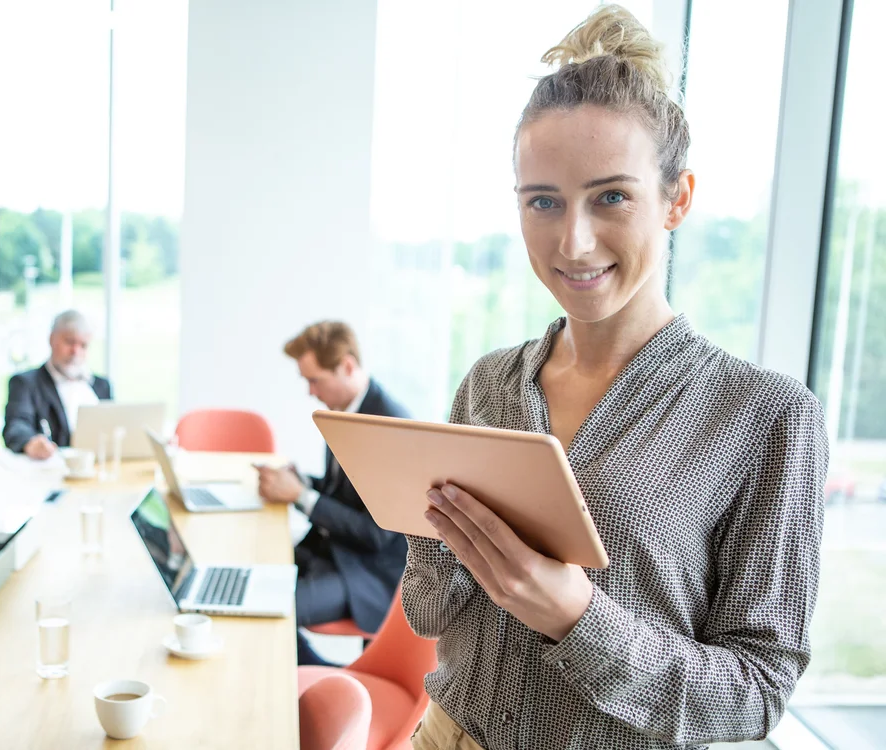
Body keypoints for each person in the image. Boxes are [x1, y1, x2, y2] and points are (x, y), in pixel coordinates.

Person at [403, 7, 827, 749]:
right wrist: (438, 533)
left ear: (677, 199)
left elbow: (757, 694)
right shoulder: (487, 385)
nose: (573, 242)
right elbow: (427, 612)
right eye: (543, 202)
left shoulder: (767, 416)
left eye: (611, 197)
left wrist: (578, 618)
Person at [255, 321, 410, 666]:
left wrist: (300, 496)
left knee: (273, 612)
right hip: (333, 550)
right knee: (255, 580)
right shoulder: (345, 411)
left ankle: (327, 681)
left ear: (347, 367)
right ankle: (324, 676)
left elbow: (376, 533)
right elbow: (343, 492)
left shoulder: (392, 426)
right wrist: (303, 483)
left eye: (315, 380)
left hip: (368, 571)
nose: (310, 392)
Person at [3, 310, 113, 459]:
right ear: (52, 340)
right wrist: (30, 442)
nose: (75, 351)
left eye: (83, 345)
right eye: (69, 342)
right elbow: (16, 425)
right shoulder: (26, 383)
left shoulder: (102, 386)